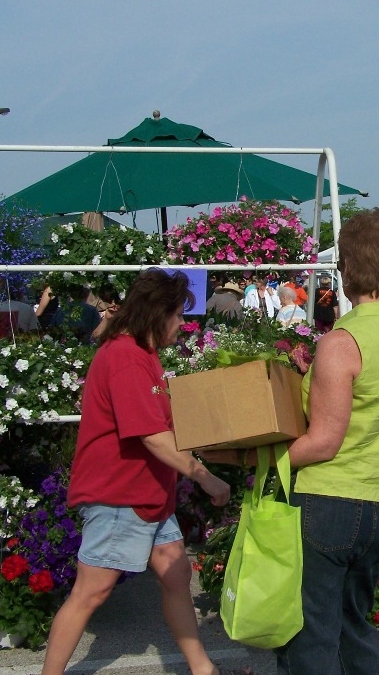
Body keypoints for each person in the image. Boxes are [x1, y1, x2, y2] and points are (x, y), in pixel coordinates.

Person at [209, 209, 379, 675]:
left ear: (347, 267)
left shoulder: (342, 342)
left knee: (312, 639)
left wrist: (256, 459)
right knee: (355, 630)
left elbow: (323, 442)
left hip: (328, 502)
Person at [41, 270, 233, 675]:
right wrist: (203, 475)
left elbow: (162, 423)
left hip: (146, 495)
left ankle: (203, 669)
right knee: (91, 592)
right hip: (119, 494)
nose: (183, 325)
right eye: (178, 315)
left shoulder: (141, 355)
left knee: (176, 573)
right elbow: (151, 436)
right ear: (155, 313)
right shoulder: (127, 358)